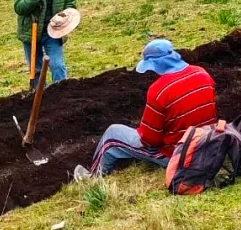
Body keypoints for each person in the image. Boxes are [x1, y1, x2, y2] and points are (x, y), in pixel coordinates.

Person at [73, 39, 216, 180]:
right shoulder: (202, 73)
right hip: (206, 145)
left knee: (112, 134)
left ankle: (94, 177)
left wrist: (142, 130)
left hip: (177, 155)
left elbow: (150, 140)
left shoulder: (159, 90)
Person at [14, 0, 78, 85]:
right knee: (36, 70)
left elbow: (71, 4)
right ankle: (40, 98)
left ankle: (61, 95)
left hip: (54, 32)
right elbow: (19, 8)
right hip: (30, 32)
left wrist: (63, 18)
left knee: (57, 65)